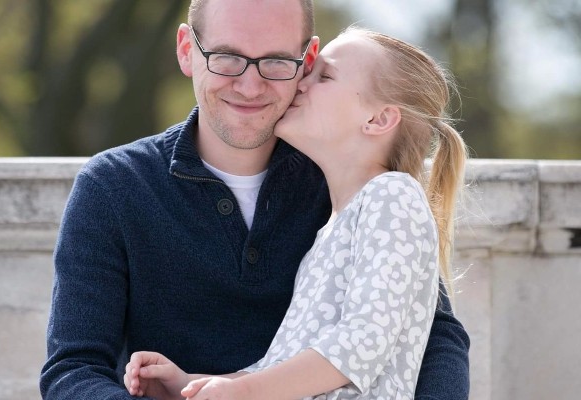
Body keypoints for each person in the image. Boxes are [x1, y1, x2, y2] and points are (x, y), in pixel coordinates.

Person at [39, 1, 470, 399]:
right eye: (226, 57)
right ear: (187, 51)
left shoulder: (355, 184)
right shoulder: (113, 186)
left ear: (306, 61)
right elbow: (73, 371)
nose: (250, 85)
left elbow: (430, 336)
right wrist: (196, 387)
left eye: (276, 62)